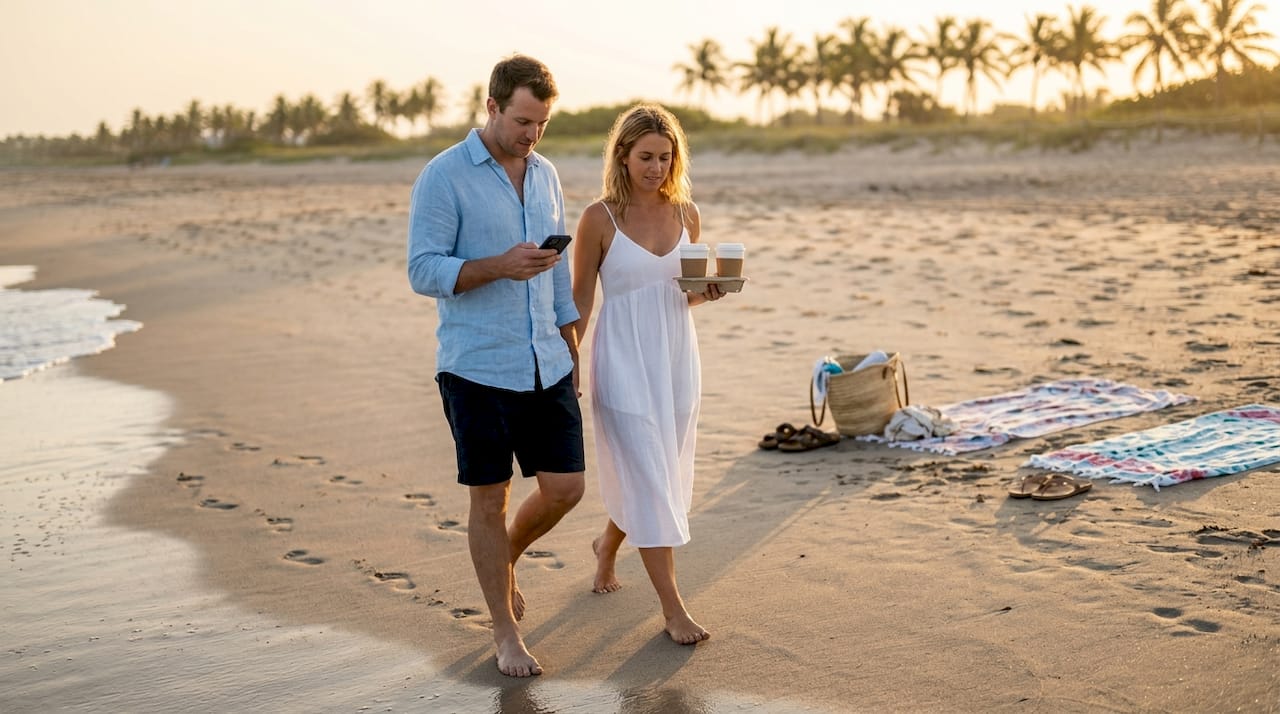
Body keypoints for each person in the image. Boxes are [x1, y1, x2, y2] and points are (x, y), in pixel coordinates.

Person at [406, 54, 585, 678]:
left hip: (546, 358)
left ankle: (499, 559)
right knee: (489, 500)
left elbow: (555, 268)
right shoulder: (444, 175)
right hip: (475, 366)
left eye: (541, 124)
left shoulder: (547, 176)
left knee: (566, 487)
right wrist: (496, 266)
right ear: (491, 107)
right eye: (521, 121)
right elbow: (422, 269)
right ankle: (506, 635)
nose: (531, 135)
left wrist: (571, 341)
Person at [571, 103, 724, 645]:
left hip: (678, 360)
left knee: (661, 471)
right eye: (645, 157)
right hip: (622, 362)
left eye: (665, 156)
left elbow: (682, 296)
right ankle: (673, 609)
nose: (656, 167)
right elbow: (581, 302)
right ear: (622, 155)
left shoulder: (688, 214)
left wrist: (707, 293)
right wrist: (569, 363)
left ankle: (607, 545)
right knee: (648, 473)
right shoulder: (599, 219)